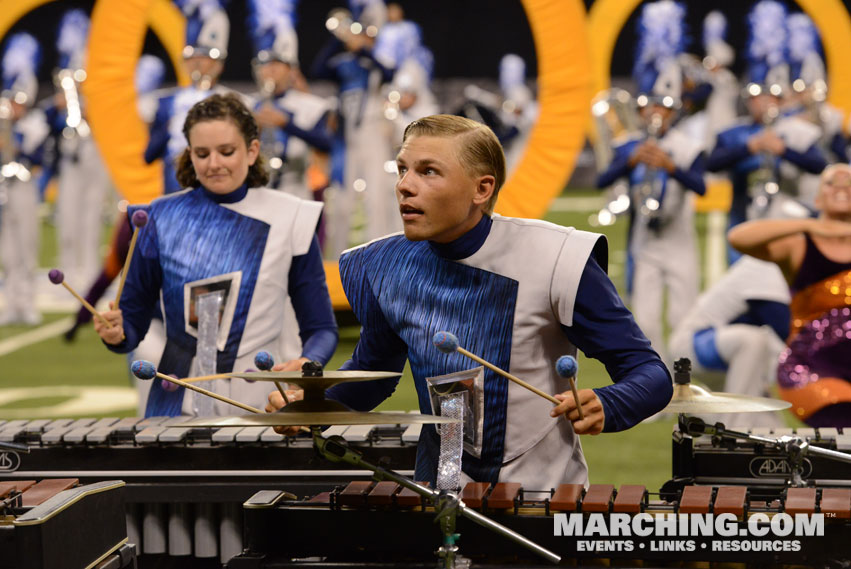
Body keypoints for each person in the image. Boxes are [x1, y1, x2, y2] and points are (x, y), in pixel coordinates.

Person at [267, 114, 672, 490]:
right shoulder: (382, 265)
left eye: (428, 171)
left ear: (483, 188)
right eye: (402, 169)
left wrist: (609, 401)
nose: (405, 185)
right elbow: (375, 372)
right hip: (436, 489)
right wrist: (314, 403)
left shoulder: (558, 259)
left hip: (542, 493)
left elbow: (650, 373)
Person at [95, 93, 338, 417]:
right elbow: (133, 320)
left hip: (263, 406)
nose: (213, 164)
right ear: (189, 154)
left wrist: (310, 362)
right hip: (173, 404)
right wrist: (117, 334)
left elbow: (321, 326)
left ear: (252, 151)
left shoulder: (292, 216)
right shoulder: (157, 218)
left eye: (226, 152)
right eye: (202, 153)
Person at [596, 0, 706, 367]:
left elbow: (701, 186)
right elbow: (603, 180)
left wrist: (670, 166)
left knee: (681, 314)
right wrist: (630, 160)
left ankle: (683, 384)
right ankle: (652, 385)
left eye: (663, 107)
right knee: (642, 317)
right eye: (650, 107)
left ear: (674, 111)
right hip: (645, 240)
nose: (656, 113)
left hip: (679, 239)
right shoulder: (631, 144)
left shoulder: (689, 147)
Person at [728, 163, 851, 427]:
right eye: (831, 182)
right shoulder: (799, 244)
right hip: (813, 371)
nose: (842, 185)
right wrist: (811, 224)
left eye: (848, 181)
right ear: (818, 198)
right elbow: (739, 237)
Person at [668, 255, 790, 429]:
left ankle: (705, 417)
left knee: (775, 432)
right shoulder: (764, 264)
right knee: (753, 340)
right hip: (695, 343)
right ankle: (734, 428)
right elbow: (784, 327)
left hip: (732, 358)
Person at [247, 0, 334, 200]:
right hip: (255, 192)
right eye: (264, 65)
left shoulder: (310, 105)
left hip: (295, 190)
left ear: (290, 69)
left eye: (277, 65)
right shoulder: (247, 105)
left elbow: (327, 144)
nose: (270, 71)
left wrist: (287, 124)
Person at [145, 0, 234, 195]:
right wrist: (169, 126)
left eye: (204, 58)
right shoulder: (167, 102)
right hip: (175, 194)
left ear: (218, 64)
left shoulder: (233, 101)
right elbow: (148, 156)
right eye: (192, 59)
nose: (197, 64)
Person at [0, 33, 50, 326]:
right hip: (4, 189)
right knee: (6, 249)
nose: (11, 107)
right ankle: (11, 302)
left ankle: (28, 301)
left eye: (16, 102)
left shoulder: (34, 124)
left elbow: (34, 157)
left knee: (27, 245)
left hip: (25, 188)